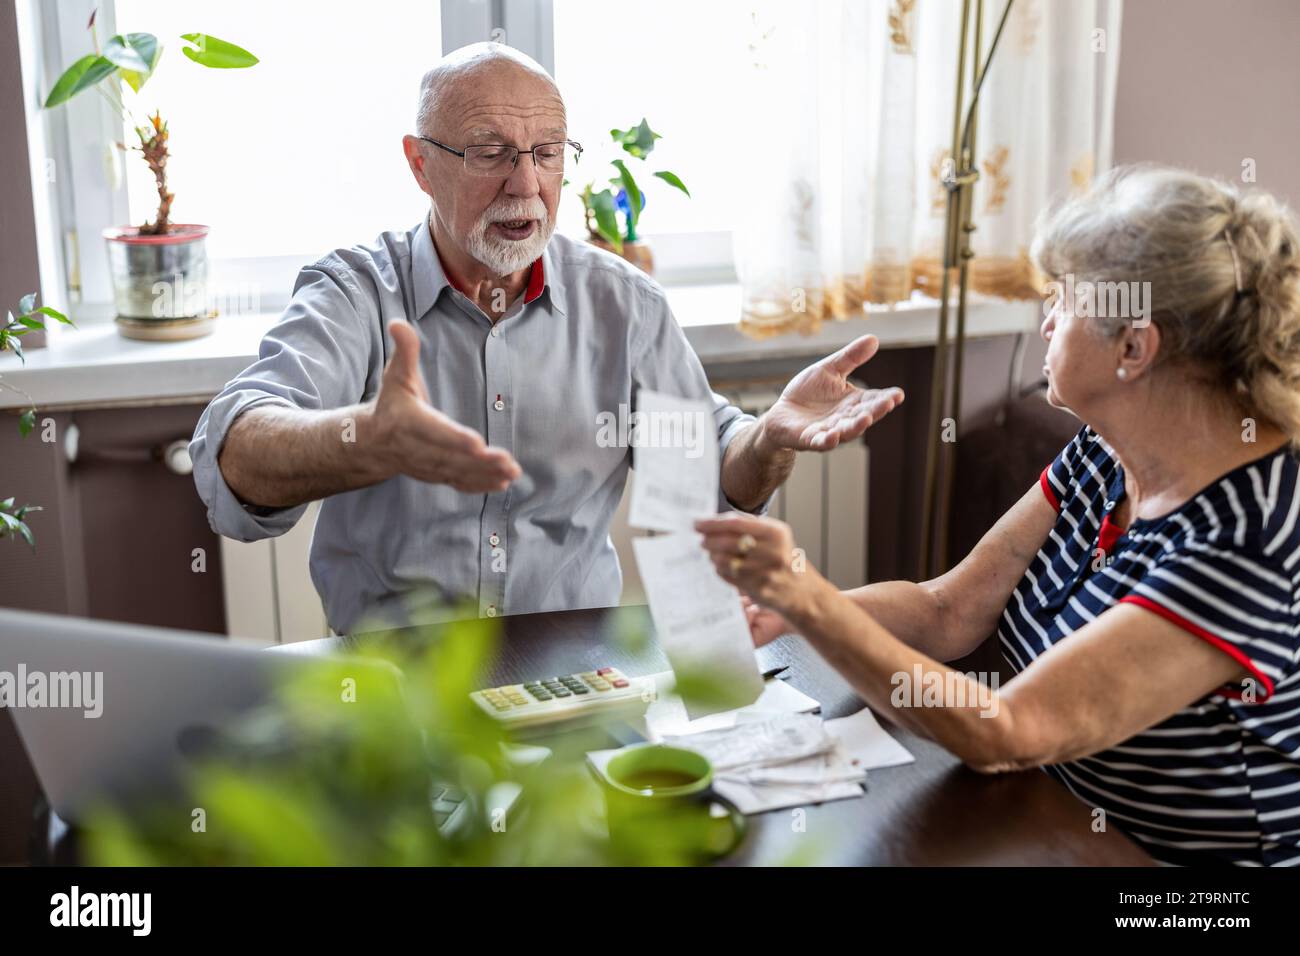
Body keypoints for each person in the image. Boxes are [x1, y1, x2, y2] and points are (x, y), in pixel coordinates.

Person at [190, 42, 904, 634]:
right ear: (420, 163)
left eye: (547, 152)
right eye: (490, 152)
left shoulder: (623, 304)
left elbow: (709, 477)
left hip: (576, 674)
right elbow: (235, 453)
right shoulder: (353, 291)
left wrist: (770, 443)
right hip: (393, 687)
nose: (525, 183)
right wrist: (360, 440)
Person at [698, 165, 1300, 866]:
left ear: (1135, 348)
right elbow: (947, 609)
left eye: (1063, 302)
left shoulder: (1248, 537)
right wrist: (794, 614)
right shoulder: (1105, 453)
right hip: (1057, 824)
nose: (1045, 323)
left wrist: (810, 602)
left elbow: (1010, 729)